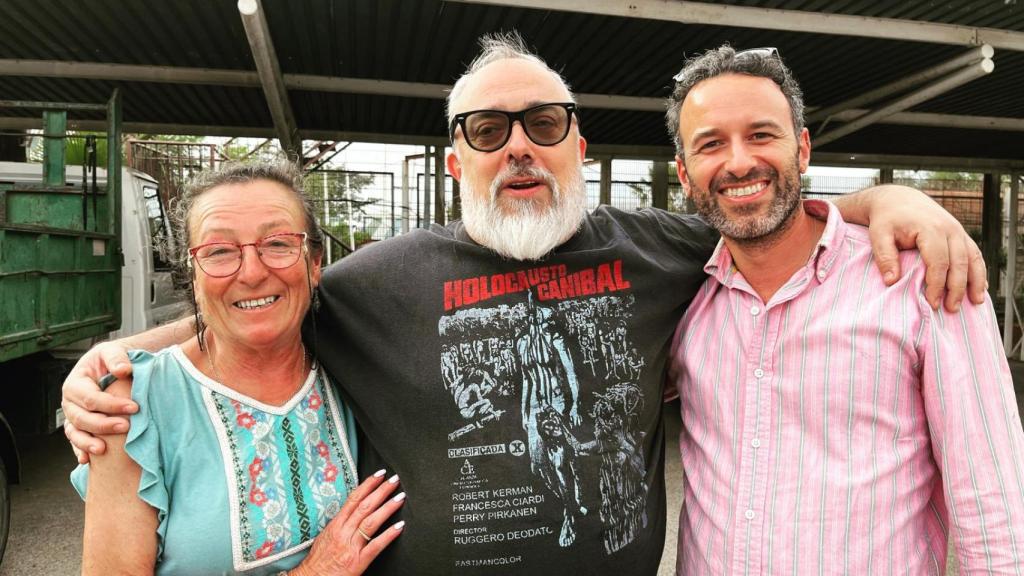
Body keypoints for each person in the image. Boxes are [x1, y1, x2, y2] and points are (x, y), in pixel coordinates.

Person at [63, 33, 987, 575]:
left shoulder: (661, 246)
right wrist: (110, 361)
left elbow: (764, 209)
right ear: (457, 155)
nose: (519, 148)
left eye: (544, 125)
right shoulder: (377, 278)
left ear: (577, 144)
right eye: (488, 130)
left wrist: (885, 202)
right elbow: (254, 295)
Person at [666, 45, 1024, 574]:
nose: (739, 161)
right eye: (711, 144)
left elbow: (992, 496)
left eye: (762, 135)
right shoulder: (682, 296)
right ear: (684, 172)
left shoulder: (923, 281)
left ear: (803, 148)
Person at [70, 163, 405, 574]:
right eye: (219, 252)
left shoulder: (351, 364)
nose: (252, 272)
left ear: (315, 263)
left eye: (279, 244)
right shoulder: (134, 407)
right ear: (192, 277)